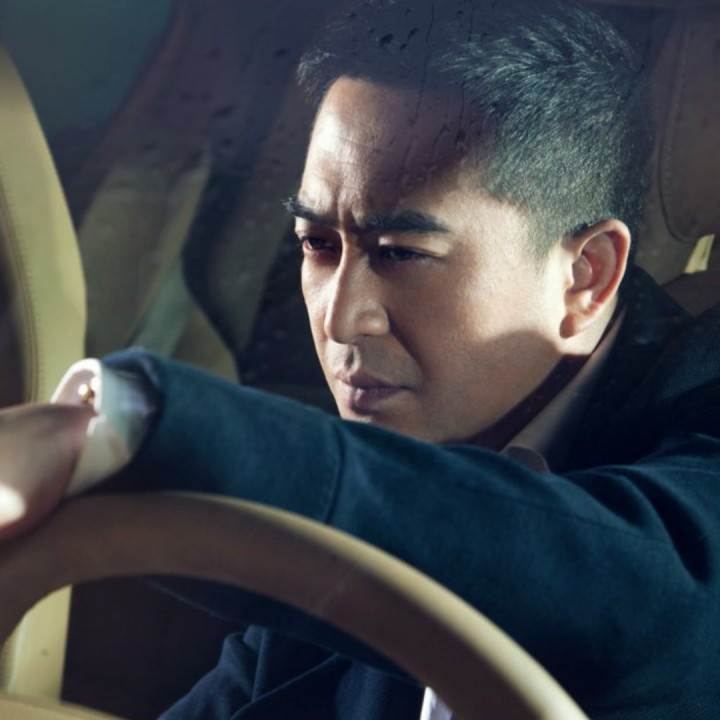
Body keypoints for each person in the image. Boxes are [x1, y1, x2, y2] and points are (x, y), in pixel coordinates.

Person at [2, 0, 720, 718]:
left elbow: (647, 598)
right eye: (318, 245)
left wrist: (114, 429)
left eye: (402, 253)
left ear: (585, 275)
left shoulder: (700, 419)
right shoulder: (370, 500)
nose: (340, 319)